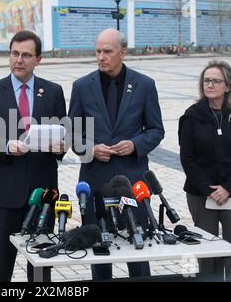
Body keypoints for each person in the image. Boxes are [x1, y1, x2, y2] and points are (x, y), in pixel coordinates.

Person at [68, 28, 165, 280]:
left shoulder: (144, 85)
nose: (101, 56)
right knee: (99, 251)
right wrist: (89, 149)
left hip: (132, 184)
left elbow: (156, 130)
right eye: (98, 51)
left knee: (138, 248)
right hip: (95, 181)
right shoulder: (81, 86)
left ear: (123, 53)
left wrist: (135, 144)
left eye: (107, 51)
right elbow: (71, 133)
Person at [0, 31, 66, 282]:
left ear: (39, 59)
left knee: (40, 266)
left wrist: (60, 147)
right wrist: (4, 146)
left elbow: (63, 134)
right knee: (1, 265)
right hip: (6, 192)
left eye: (26, 55)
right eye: (15, 53)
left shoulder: (53, 92)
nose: (19, 60)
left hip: (43, 192)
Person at [179, 60, 231, 282]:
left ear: (228, 86)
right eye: (206, 80)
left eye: (215, 81)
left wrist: (228, 188)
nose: (209, 85)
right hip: (201, 193)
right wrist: (208, 189)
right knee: (207, 252)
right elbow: (187, 158)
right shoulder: (191, 116)